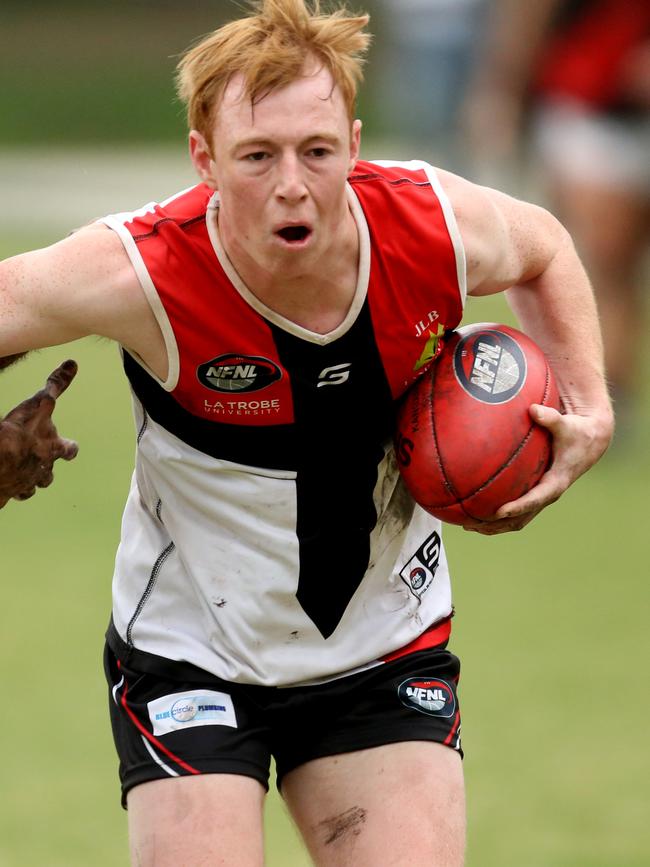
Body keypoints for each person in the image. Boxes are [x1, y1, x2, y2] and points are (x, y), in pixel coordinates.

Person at [0, 1, 613, 864]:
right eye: (257, 156)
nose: (293, 182)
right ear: (204, 160)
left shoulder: (427, 227)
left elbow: (544, 246)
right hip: (191, 652)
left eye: (317, 151)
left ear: (353, 146)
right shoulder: (141, 269)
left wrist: (589, 403)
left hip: (382, 645)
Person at [462, 0, 650, 435]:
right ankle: (598, 398)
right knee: (604, 260)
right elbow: (527, 17)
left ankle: (607, 397)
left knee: (622, 270)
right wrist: (501, 95)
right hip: (588, 103)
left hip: (627, 112)